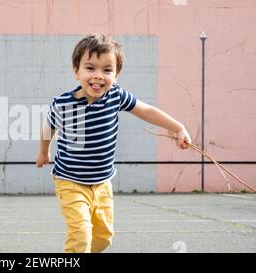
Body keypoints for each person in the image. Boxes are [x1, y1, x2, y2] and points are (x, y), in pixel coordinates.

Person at [36, 33, 191, 253]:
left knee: (103, 237)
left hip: (102, 183)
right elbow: (48, 128)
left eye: (107, 70)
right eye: (90, 68)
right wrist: (43, 152)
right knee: (80, 234)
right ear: (76, 71)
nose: (98, 76)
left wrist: (177, 127)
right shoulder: (63, 104)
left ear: (116, 75)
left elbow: (146, 111)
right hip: (70, 181)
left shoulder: (116, 96)